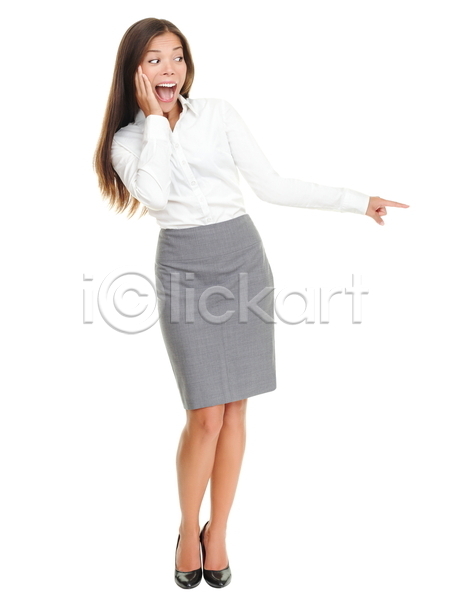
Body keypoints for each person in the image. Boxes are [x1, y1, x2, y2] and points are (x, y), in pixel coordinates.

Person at [93, 17, 409, 589]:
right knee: (203, 415)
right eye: (155, 59)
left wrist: (357, 201)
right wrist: (157, 121)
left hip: (241, 259)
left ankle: (218, 533)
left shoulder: (218, 113)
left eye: (178, 56)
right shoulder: (127, 142)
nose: (170, 69)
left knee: (235, 409)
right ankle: (187, 530)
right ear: (134, 70)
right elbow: (156, 194)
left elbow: (273, 185)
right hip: (183, 269)